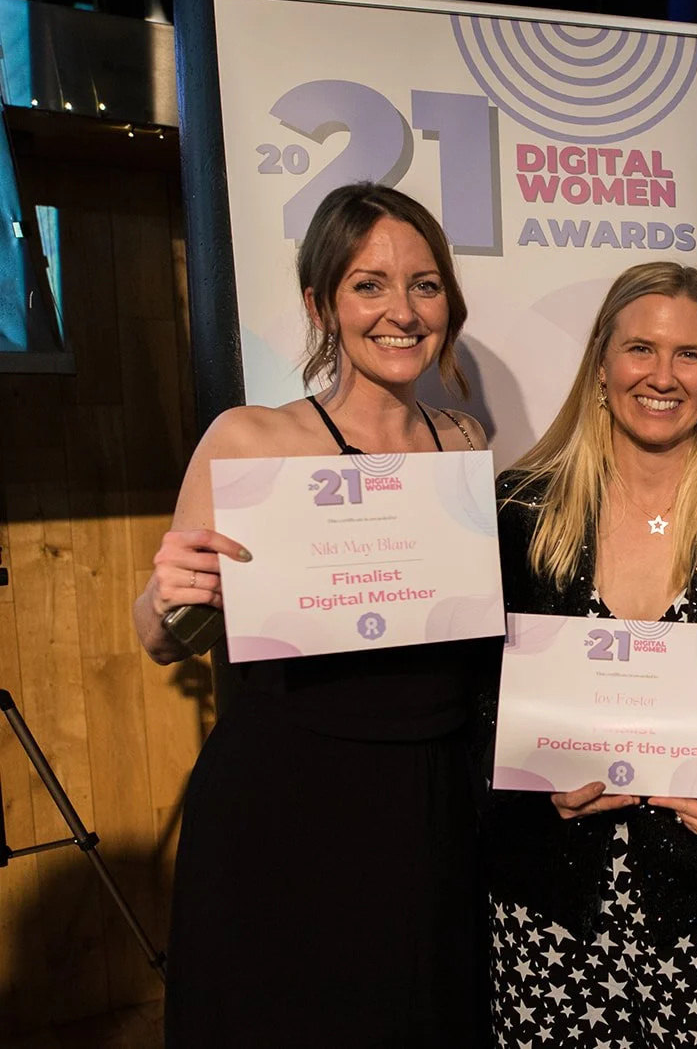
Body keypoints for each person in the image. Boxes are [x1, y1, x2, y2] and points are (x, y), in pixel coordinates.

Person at [135, 183, 493, 1047]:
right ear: (319, 305)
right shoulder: (250, 441)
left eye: (424, 284)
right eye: (369, 285)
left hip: (433, 799)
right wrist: (168, 596)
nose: (402, 311)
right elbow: (161, 639)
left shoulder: (465, 442)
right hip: (288, 799)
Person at [486, 262, 697, 1048]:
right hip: (550, 911)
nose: (662, 376)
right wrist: (537, 784)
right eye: (640, 349)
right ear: (602, 363)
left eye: (689, 354)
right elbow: (477, 706)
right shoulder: (521, 510)